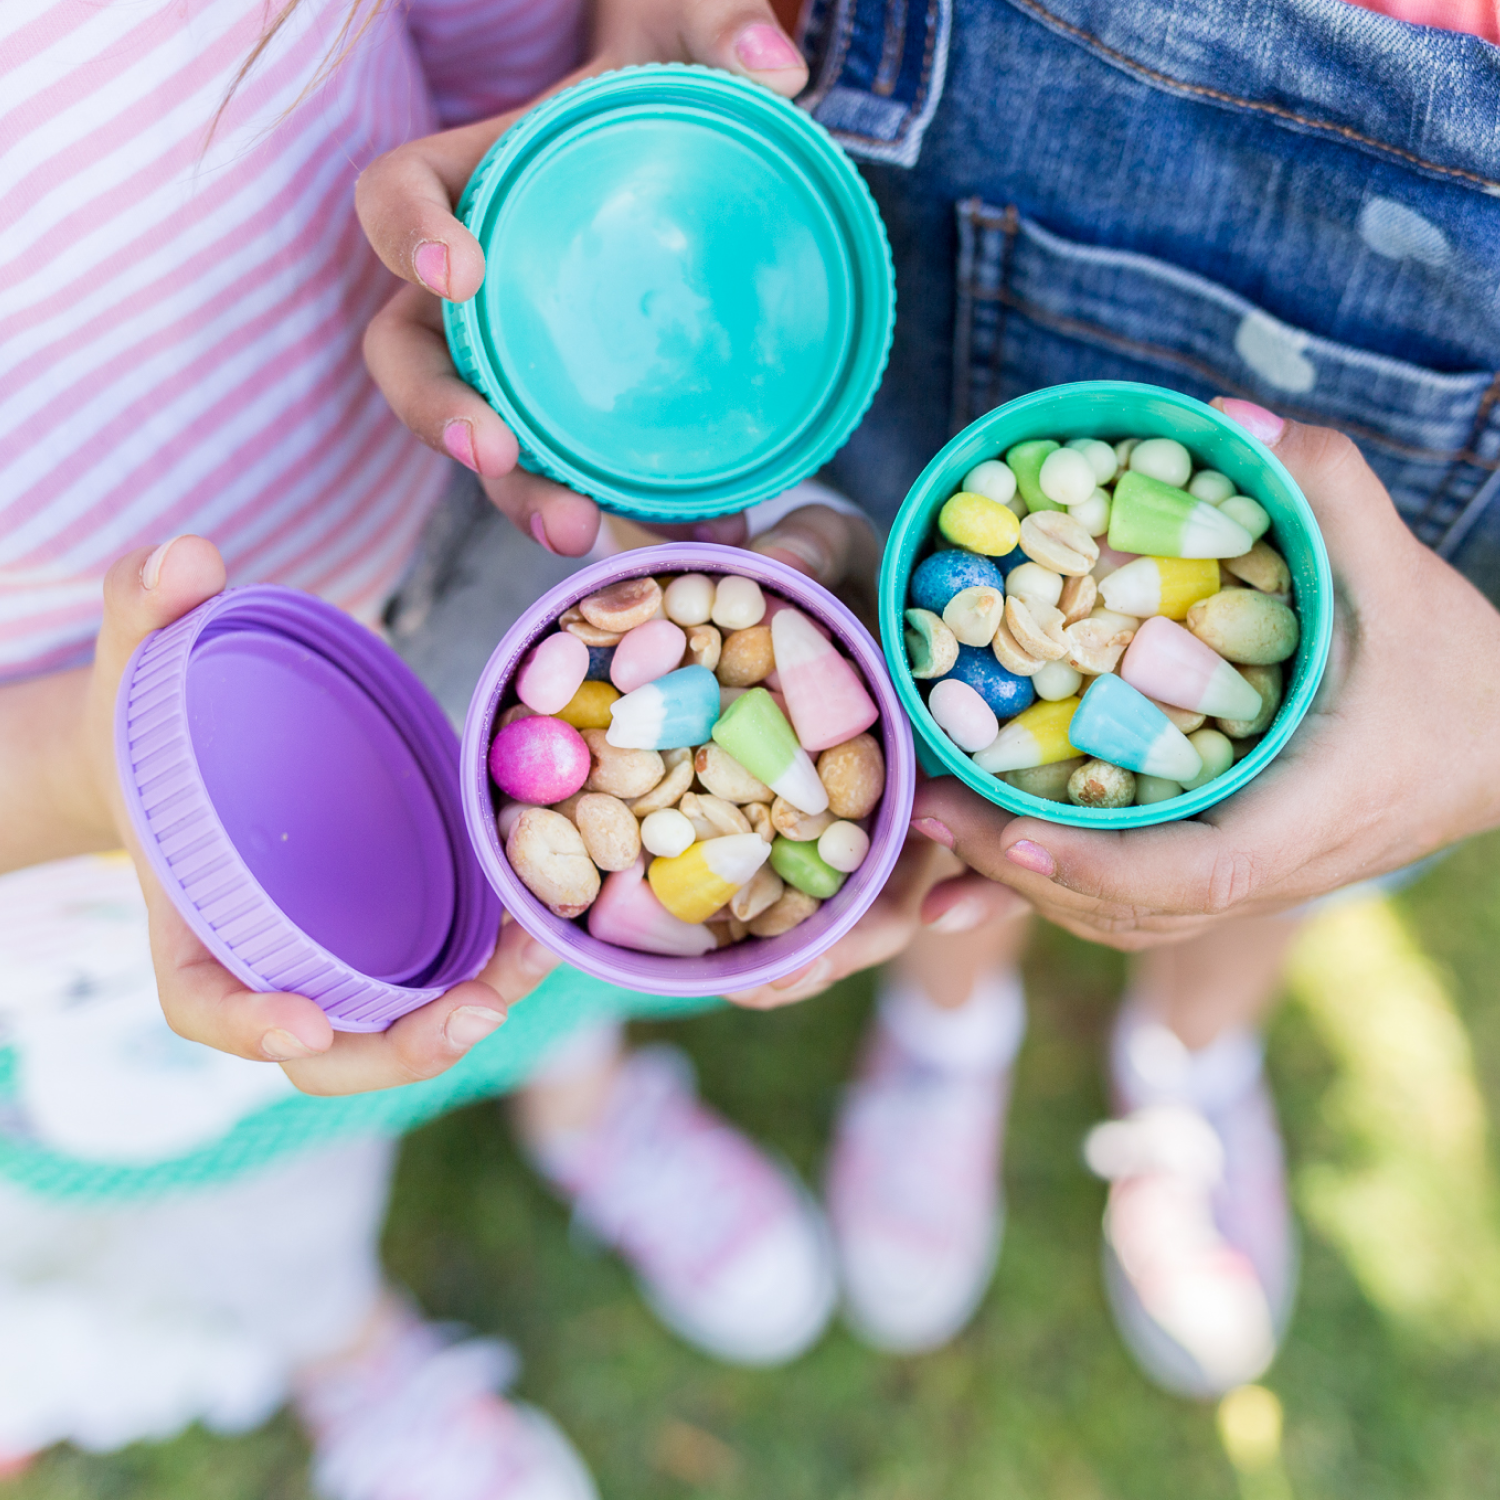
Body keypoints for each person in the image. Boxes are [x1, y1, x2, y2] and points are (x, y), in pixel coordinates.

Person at [360, 0, 1500, 1399]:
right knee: (951, 793)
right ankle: (949, 1025)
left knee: (1290, 840)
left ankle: (1192, 1063)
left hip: (1450, 485)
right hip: (962, 178)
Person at [0, 1, 849, 1494]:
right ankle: (345, 1343)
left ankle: (585, 1102)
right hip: (109, 819)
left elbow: (487, 51)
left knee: (562, 908)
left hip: (452, 518)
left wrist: (553, 198)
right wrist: (93, 770)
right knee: (262, 1099)